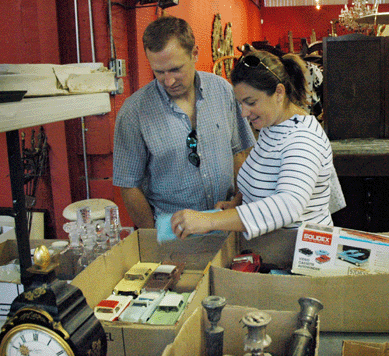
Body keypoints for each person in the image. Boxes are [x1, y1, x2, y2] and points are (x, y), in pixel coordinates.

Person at [171, 50, 343, 240]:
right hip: (273, 248)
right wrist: (237, 203)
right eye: (241, 103)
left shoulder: (302, 139)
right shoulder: (273, 127)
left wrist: (211, 220)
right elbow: (262, 177)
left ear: (279, 92)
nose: (244, 112)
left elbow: (288, 205)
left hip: (301, 254)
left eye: (250, 102)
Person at [113, 16, 256, 228]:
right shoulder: (134, 112)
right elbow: (129, 186)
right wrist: (153, 238)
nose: (168, 81)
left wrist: (239, 200)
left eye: (175, 69)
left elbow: (239, 152)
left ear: (195, 54)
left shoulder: (222, 90)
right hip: (173, 234)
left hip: (225, 223)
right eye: (159, 72)